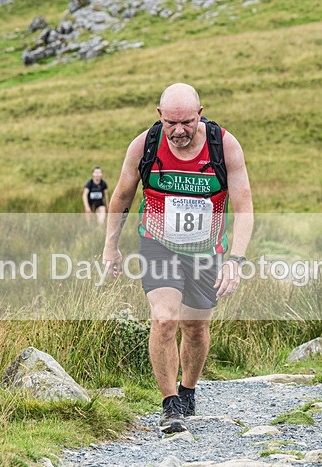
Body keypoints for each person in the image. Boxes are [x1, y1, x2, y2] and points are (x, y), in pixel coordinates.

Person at [103, 83, 254, 434]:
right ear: (160, 116)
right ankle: (170, 404)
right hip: (159, 244)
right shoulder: (144, 145)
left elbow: (244, 207)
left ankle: (188, 390)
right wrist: (111, 246)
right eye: (171, 123)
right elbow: (122, 197)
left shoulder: (223, 145)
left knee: (196, 327)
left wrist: (235, 260)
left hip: (206, 250)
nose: (179, 131)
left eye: (187, 122)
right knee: (164, 319)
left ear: (200, 114)